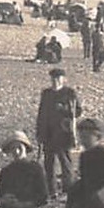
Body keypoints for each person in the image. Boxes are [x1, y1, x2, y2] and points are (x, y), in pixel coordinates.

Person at [35, 67, 80, 199]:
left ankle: (69, 190)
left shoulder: (69, 93)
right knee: (48, 163)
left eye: (58, 78)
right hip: (48, 133)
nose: (55, 81)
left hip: (63, 133)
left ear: (63, 79)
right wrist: (39, 132)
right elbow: (41, 113)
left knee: (65, 162)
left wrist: (65, 109)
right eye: (53, 78)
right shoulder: (46, 93)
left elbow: (78, 111)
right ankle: (51, 190)